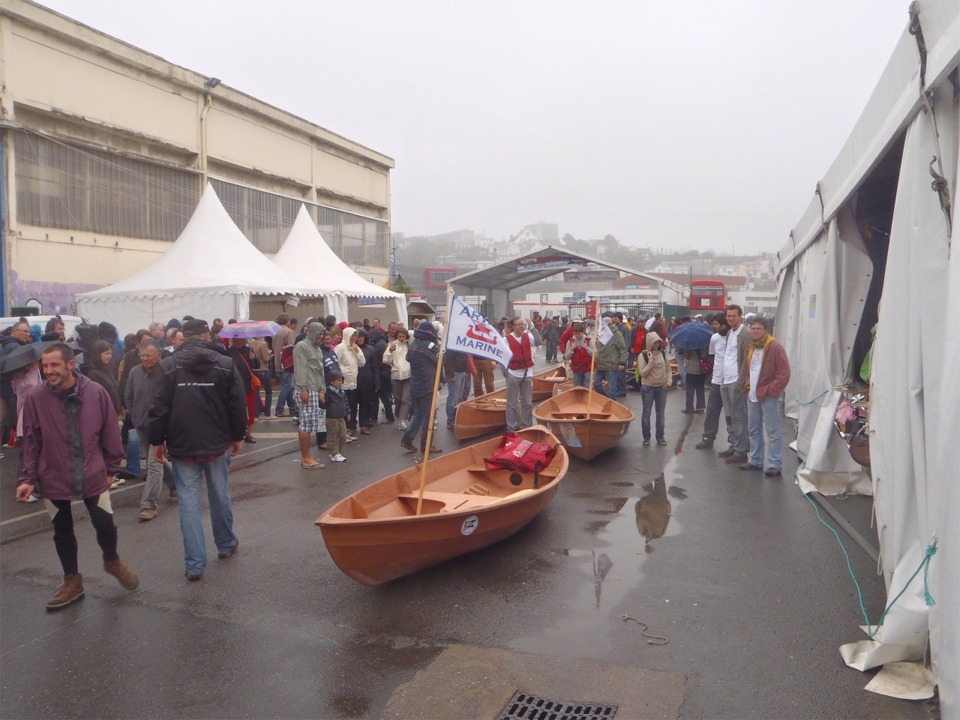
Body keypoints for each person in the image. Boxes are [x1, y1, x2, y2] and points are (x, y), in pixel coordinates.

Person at [15, 343, 139, 609]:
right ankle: (72, 581)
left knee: (105, 524)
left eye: (54, 365)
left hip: (92, 472)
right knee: (62, 530)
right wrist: (27, 478)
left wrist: (111, 468)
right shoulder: (36, 397)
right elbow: (31, 441)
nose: (49, 371)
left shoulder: (95, 392)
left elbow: (109, 431)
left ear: (70, 364)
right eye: (45, 366)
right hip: (52, 475)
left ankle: (112, 560)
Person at [148, 319, 245, 581]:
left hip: (183, 443)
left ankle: (194, 564)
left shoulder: (168, 365)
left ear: (184, 337)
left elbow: (158, 406)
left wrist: (157, 440)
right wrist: (237, 435)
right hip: (217, 440)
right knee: (219, 494)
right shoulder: (224, 363)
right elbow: (237, 404)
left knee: (189, 502)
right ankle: (225, 544)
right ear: (206, 336)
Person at [127, 341, 177, 520]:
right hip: (141, 425)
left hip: (161, 427)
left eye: (148, 355)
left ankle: (149, 505)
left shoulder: (166, 373)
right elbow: (128, 395)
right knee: (158, 460)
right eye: (142, 355)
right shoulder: (134, 372)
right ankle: (175, 486)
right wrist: (133, 415)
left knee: (153, 465)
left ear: (159, 356)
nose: (144, 358)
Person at [739, 317, 791, 476]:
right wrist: (746, 385)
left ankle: (775, 464)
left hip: (767, 395)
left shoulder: (774, 346)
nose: (755, 331)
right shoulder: (752, 346)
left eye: (758, 328)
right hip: (752, 394)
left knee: (773, 430)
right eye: (753, 328)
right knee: (753, 429)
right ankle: (755, 460)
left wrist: (772, 390)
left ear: (766, 330)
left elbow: (784, 372)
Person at [400, 322, 442, 459]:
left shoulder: (413, 344)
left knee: (417, 413)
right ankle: (426, 445)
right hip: (427, 385)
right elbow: (440, 361)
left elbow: (408, 358)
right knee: (428, 417)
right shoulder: (430, 346)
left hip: (415, 384)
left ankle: (407, 439)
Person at [717, 305, 751, 465]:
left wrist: (741, 381)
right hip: (725, 380)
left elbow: (746, 358)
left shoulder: (745, 333)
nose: (731, 318)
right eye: (728, 316)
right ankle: (733, 444)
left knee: (739, 416)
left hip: (736, 381)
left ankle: (741, 450)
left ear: (740, 316)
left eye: (734, 316)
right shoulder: (730, 333)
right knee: (729, 416)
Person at [293, 321, 328, 469]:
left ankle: (308, 456)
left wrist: (322, 390)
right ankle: (306, 458)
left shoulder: (317, 348)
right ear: (312, 332)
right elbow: (300, 368)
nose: (321, 337)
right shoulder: (302, 346)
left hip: (315, 389)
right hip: (306, 389)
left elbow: (320, 370)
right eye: (319, 334)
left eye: (322, 334)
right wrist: (303, 389)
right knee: (306, 425)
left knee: (311, 424)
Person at [696, 313, 730, 450]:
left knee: (731, 414)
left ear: (724, 325)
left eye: (716, 324)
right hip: (716, 381)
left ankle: (733, 443)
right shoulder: (714, 338)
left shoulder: (734, 337)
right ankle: (708, 438)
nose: (714, 326)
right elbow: (712, 356)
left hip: (730, 382)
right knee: (711, 411)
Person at [636, 332, 671, 446]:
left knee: (660, 414)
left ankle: (660, 437)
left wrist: (669, 382)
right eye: (655, 342)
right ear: (650, 343)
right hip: (648, 388)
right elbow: (643, 373)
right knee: (646, 413)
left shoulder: (663, 354)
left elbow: (668, 369)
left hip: (662, 388)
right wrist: (651, 363)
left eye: (658, 342)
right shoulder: (643, 355)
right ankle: (646, 438)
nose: (657, 344)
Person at [503, 317, 536, 432]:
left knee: (527, 403)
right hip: (513, 374)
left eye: (522, 324)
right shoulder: (506, 340)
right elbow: (502, 357)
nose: (521, 326)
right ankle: (511, 428)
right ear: (512, 326)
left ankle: (526, 427)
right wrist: (506, 373)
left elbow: (539, 341)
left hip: (527, 374)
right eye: (518, 325)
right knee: (512, 403)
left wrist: (532, 327)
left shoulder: (528, 336)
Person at [226, 337, 260, 443]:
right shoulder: (228, 351)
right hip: (234, 385)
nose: (238, 341)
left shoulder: (249, 350)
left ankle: (248, 433)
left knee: (250, 410)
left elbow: (257, 365)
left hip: (248, 385)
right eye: (236, 339)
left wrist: (253, 358)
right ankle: (233, 434)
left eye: (240, 339)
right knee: (234, 410)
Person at [335, 326, 366, 440]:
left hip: (353, 382)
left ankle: (350, 428)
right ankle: (343, 432)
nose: (354, 338)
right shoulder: (340, 348)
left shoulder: (355, 347)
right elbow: (336, 362)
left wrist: (357, 350)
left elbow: (362, 363)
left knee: (352, 407)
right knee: (343, 408)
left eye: (355, 336)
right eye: (352, 336)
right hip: (343, 383)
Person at [384, 328, 411, 430]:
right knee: (398, 398)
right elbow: (386, 360)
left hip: (408, 375)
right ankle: (400, 415)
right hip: (396, 376)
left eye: (403, 336)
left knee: (405, 399)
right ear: (396, 336)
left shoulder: (408, 345)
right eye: (400, 336)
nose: (402, 338)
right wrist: (390, 351)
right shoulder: (392, 345)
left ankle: (403, 420)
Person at [593, 317, 627, 400]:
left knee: (612, 388)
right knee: (596, 384)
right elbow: (597, 348)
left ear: (610, 325)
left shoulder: (617, 335)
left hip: (612, 365)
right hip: (601, 364)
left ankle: (612, 403)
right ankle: (607, 398)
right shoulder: (600, 334)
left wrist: (622, 362)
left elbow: (623, 350)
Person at [273, 313, 298, 417]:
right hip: (287, 363)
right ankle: (279, 409)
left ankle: (293, 408)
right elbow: (291, 347)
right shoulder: (289, 332)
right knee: (287, 387)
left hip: (277, 362)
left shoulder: (275, 332)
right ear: (288, 322)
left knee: (287, 386)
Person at [324, 370, 348, 463]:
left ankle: (340, 452)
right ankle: (334, 453)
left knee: (343, 435)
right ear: (331, 381)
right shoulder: (327, 392)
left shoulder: (342, 391)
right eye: (338, 380)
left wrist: (348, 411)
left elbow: (346, 402)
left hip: (341, 416)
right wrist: (322, 400)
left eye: (341, 380)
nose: (340, 382)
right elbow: (323, 405)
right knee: (332, 435)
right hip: (331, 417)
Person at [443, 349, 469, 429]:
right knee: (453, 398)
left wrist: (465, 371)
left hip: (461, 372)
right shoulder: (451, 347)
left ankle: (456, 418)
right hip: (455, 373)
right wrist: (451, 375)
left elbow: (464, 358)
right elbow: (447, 360)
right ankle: (451, 421)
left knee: (458, 398)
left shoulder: (460, 346)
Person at [563, 322, 594, 387]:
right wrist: (571, 349)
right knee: (577, 387)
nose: (577, 336)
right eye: (576, 334)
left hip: (587, 369)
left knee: (586, 386)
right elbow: (566, 357)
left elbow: (594, 355)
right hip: (576, 369)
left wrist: (587, 348)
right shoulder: (570, 342)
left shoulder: (589, 341)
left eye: (579, 334)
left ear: (583, 332)